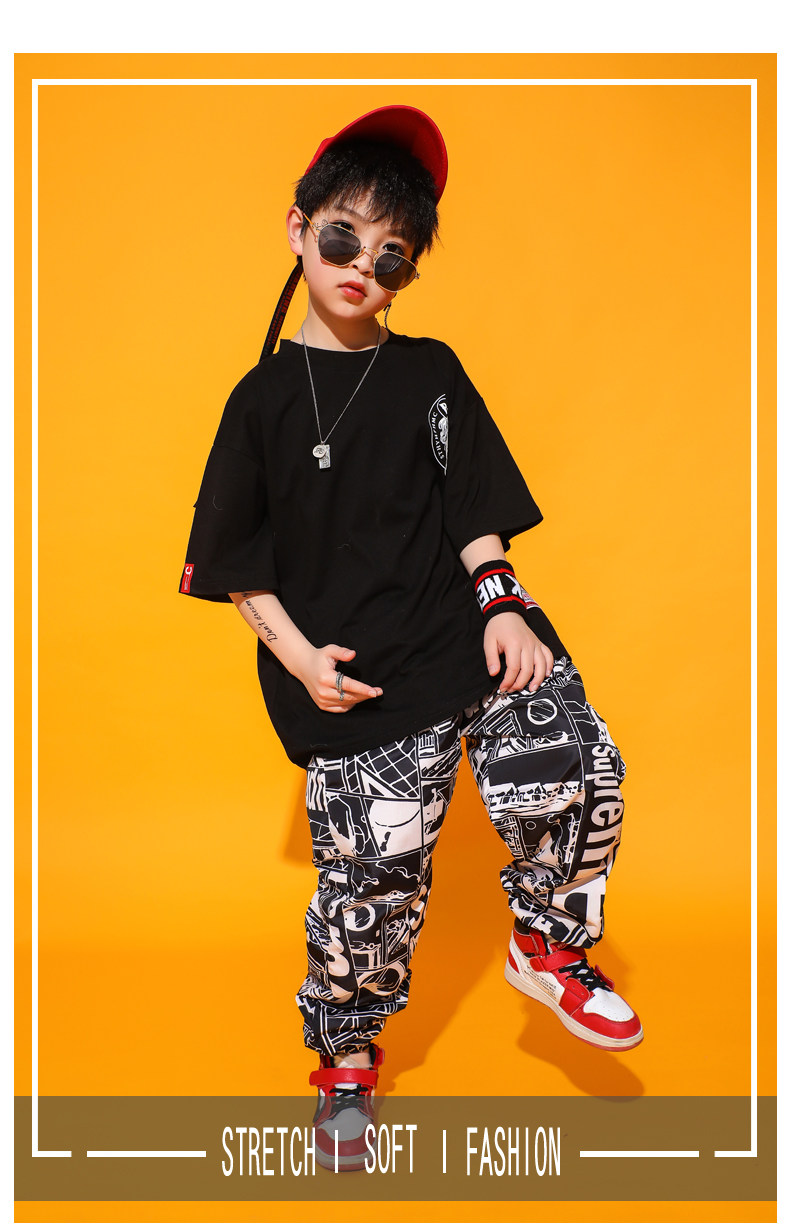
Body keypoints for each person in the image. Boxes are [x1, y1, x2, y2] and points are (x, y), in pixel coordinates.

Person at [179, 105, 642, 1169]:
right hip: (353, 679)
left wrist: (502, 600)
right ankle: (346, 1063)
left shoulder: (431, 371)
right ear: (297, 229)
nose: (363, 268)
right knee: (370, 887)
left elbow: (474, 504)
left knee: (574, 759)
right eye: (343, 238)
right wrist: (300, 659)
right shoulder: (258, 402)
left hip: (463, 633)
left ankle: (547, 947)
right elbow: (235, 562)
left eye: (391, 257)